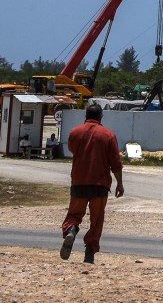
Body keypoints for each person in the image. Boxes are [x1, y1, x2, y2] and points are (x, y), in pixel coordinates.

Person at [59, 103, 124, 264]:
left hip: (79, 182)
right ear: (101, 117)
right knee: (96, 220)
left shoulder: (75, 132)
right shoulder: (108, 135)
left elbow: (73, 150)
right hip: (100, 185)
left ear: (86, 116)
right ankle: (89, 253)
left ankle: (71, 230)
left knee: (74, 214)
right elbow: (115, 162)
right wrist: (119, 184)